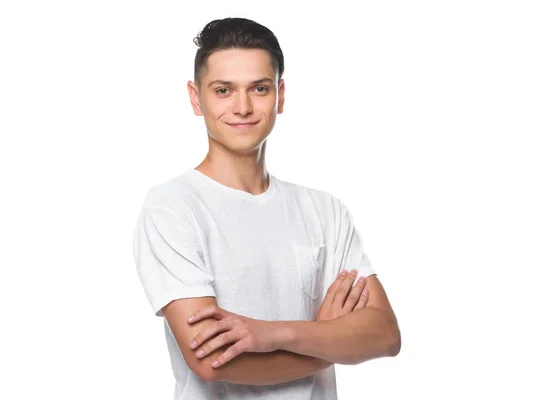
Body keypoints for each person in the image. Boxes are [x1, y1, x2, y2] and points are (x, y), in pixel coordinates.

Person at [132, 17, 401, 399]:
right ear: (196, 98)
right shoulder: (172, 208)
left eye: (258, 88)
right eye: (223, 90)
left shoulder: (325, 212)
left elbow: (385, 335)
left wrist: (275, 333)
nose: (242, 107)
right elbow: (211, 361)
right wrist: (325, 344)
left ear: (281, 94)